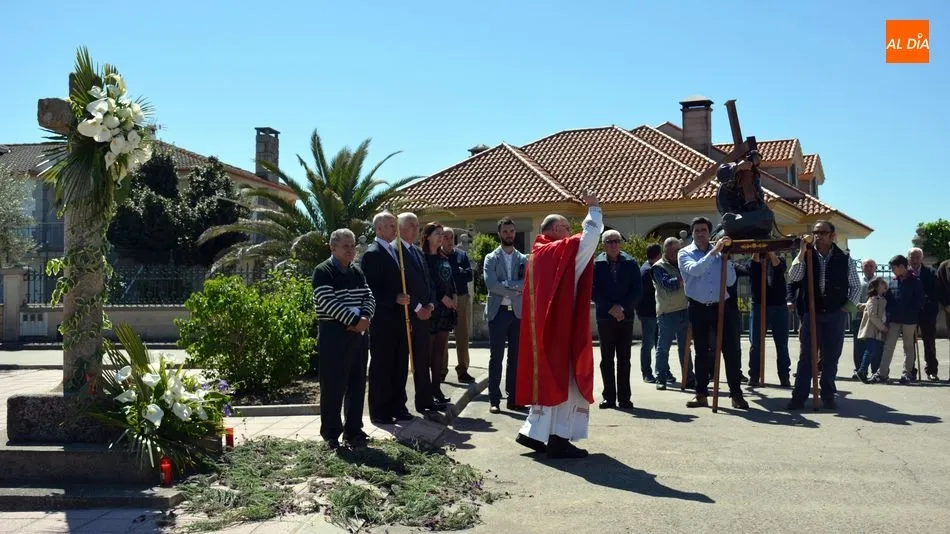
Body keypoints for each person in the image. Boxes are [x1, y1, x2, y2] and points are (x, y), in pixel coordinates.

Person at [514, 191, 603, 459]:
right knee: (566, 379)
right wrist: (595, 209)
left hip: (544, 327)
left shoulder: (536, 254)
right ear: (553, 230)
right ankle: (559, 438)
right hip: (561, 325)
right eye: (565, 227)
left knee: (548, 381)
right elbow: (588, 241)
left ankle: (533, 432)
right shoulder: (556, 250)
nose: (569, 231)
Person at [785, 220, 861, 409]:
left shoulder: (843, 258)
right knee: (807, 356)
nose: (818, 235)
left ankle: (828, 394)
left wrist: (847, 307)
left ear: (832, 235)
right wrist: (802, 254)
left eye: (823, 232)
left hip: (836, 314)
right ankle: (799, 396)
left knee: (831, 357)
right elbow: (793, 277)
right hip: (812, 313)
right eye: (816, 232)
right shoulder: (806, 255)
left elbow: (856, 285)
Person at [312, 229, 375, 449]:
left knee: (357, 385)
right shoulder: (323, 271)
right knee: (333, 386)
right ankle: (331, 434)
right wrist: (355, 320)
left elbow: (369, 296)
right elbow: (327, 302)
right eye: (345, 246)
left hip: (357, 335)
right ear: (333, 247)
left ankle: (354, 431)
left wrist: (365, 317)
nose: (351, 250)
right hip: (334, 335)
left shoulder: (357, 272)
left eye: (353, 245)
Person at [679, 217, 748, 409]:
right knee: (702, 352)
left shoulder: (721, 254)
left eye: (704, 230)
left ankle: (736, 394)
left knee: (731, 351)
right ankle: (701, 394)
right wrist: (715, 251)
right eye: (697, 230)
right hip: (698, 307)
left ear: (709, 233)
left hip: (721, 306)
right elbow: (696, 270)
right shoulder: (685, 253)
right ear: (692, 233)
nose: (701, 234)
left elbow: (731, 281)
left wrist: (726, 258)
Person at [360, 212, 413, 425]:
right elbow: (370, 289)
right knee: (382, 365)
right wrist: (394, 298)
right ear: (379, 229)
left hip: (400, 319)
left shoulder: (394, 251)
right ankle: (379, 410)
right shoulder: (372, 254)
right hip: (383, 320)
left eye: (395, 225)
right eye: (391, 226)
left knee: (399, 363)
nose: (395, 229)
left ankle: (397, 405)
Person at [394, 212, 445, 416]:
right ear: (401, 229)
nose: (416, 230)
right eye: (412, 226)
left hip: (425, 314)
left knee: (423, 359)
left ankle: (425, 400)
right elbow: (399, 285)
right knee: (405, 362)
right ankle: (400, 404)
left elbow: (429, 282)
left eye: (417, 226)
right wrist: (417, 307)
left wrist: (431, 304)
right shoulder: (396, 252)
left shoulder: (416, 252)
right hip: (408, 315)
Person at [591, 229, 642, 408]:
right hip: (605, 317)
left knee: (624, 358)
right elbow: (592, 290)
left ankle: (625, 397)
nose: (613, 244)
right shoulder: (596, 264)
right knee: (606, 358)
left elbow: (637, 289)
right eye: (609, 241)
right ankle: (609, 397)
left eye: (616, 241)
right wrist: (611, 307)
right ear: (603, 245)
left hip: (625, 317)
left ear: (620, 243)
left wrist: (622, 307)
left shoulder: (631, 263)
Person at [484, 217, 528, 413]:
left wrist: (507, 285)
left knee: (516, 358)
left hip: (518, 314)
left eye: (511, 231)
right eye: (505, 231)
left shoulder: (524, 259)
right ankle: (494, 399)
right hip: (498, 313)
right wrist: (515, 287)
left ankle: (514, 398)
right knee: (496, 358)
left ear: (514, 233)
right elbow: (492, 285)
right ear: (499, 233)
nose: (509, 234)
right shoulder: (490, 258)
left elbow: (527, 284)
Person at [873, 254, 925, 384]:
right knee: (888, 346)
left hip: (909, 320)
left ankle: (907, 373)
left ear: (902, 266)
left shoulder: (916, 281)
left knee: (908, 347)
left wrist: (911, 312)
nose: (892, 270)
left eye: (893, 268)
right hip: (894, 320)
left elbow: (919, 301)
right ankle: (882, 373)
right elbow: (889, 300)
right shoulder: (893, 281)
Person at [422, 222, 458, 404]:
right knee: (427, 353)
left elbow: (449, 280)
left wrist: (453, 297)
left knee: (439, 353)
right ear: (427, 236)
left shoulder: (444, 257)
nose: (441, 237)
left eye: (442, 234)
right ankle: (426, 391)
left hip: (446, 311)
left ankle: (436, 388)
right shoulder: (423, 257)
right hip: (432, 309)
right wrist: (443, 298)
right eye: (437, 233)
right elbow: (429, 283)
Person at [652, 237, 695, 390]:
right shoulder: (658, 267)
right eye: (676, 250)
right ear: (667, 251)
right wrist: (686, 276)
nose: (679, 252)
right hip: (667, 313)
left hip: (684, 310)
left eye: (679, 249)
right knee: (663, 348)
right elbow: (667, 284)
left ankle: (689, 378)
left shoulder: (681, 263)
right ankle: (661, 378)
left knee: (685, 348)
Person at [744, 252, 791, 387]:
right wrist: (757, 251)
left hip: (778, 305)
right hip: (759, 304)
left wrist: (770, 252)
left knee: (782, 343)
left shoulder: (780, 260)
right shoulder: (753, 260)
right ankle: (754, 375)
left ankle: (784, 376)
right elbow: (752, 268)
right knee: (756, 343)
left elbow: (779, 268)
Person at [442, 227, 476, 383]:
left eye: (451, 238)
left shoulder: (461, 255)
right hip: (443, 300)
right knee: (441, 336)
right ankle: (441, 370)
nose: (449, 241)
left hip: (461, 298)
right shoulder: (437, 256)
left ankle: (463, 370)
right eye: (446, 237)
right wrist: (459, 272)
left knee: (462, 335)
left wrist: (457, 272)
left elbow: (469, 275)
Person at [908, 247, 940, 380]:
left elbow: (936, 292)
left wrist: (922, 300)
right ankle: (910, 371)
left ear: (922, 258)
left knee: (929, 342)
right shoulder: (904, 273)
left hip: (928, 312)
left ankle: (932, 371)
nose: (915, 260)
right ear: (908, 258)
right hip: (910, 313)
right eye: (912, 257)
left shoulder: (932, 272)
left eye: (917, 257)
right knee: (909, 343)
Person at [637, 244, 663, 383]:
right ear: (659, 254)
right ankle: (646, 372)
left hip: (652, 312)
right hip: (649, 313)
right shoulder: (648, 271)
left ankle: (662, 371)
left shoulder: (648, 268)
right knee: (649, 344)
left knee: (658, 343)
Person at [855, 277, 888, 383]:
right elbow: (872, 315)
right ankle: (862, 370)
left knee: (874, 351)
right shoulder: (873, 299)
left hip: (877, 332)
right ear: (877, 287)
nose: (885, 286)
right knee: (870, 351)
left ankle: (869, 371)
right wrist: (883, 327)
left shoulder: (881, 299)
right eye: (883, 284)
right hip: (871, 330)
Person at [852, 259, 878, 377]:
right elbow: (851, 295)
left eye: (871, 266)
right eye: (866, 266)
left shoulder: (880, 282)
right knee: (858, 345)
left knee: (875, 345)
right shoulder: (856, 281)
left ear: (875, 268)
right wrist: (858, 306)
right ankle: (859, 370)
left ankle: (875, 370)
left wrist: (868, 306)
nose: (868, 268)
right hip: (858, 316)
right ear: (862, 268)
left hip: (875, 319)